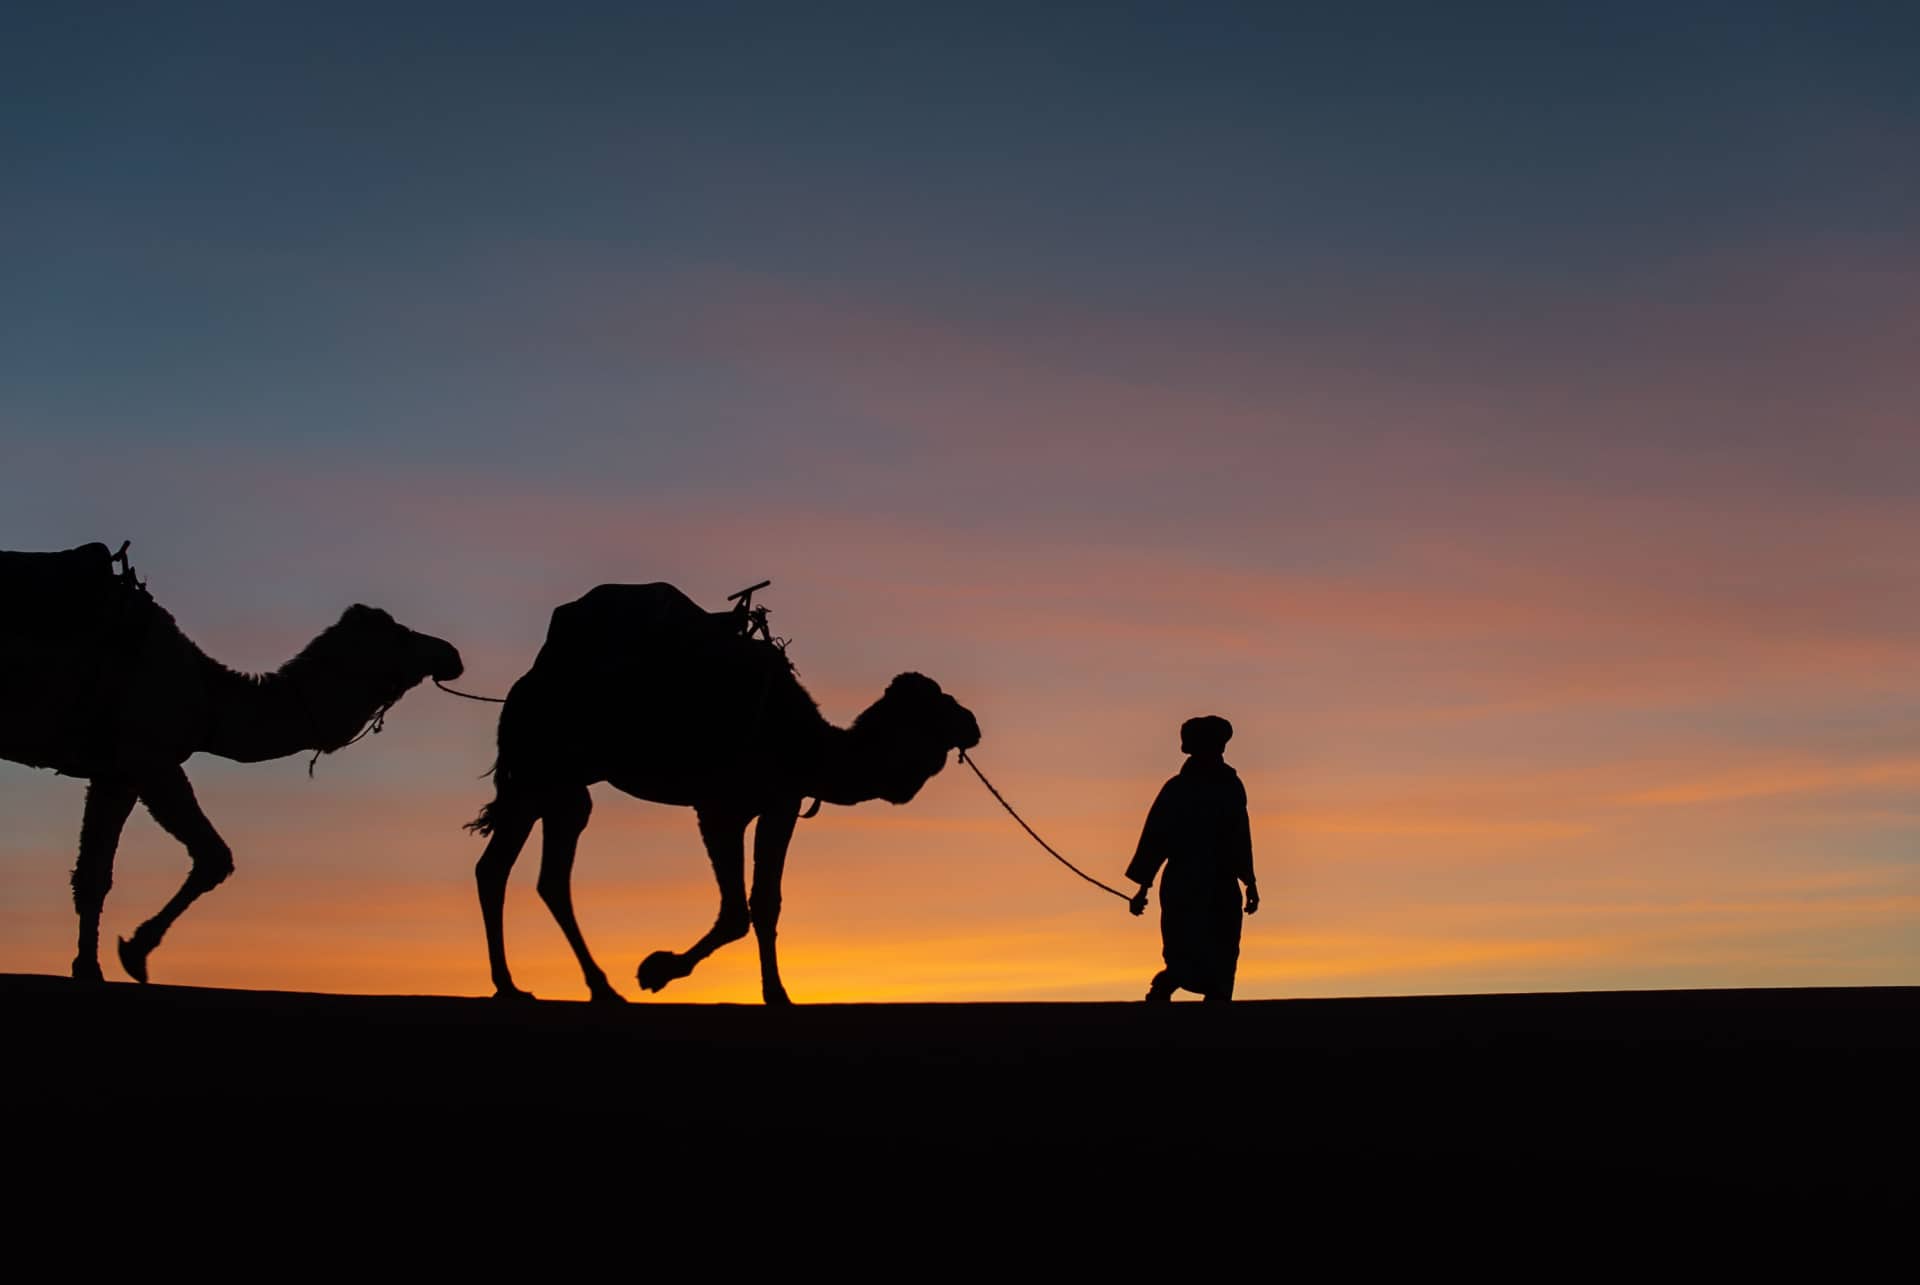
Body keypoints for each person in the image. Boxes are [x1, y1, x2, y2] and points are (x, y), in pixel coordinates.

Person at [1126, 715, 1257, 1002]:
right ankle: (1168, 987)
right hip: (1187, 879)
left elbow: (1239, 836)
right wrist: (1142, 886)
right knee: (1184, 942)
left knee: (1221, 945)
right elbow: (1156, 838)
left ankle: (1210, 1001)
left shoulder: (1226, 786)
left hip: (1216, 880)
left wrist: (1250, 881)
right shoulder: (1181, 788)